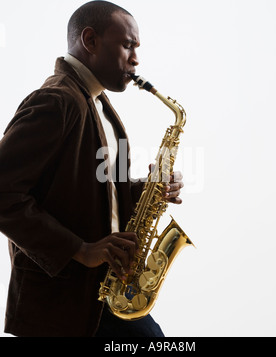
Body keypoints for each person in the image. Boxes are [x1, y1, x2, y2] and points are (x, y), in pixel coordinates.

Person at [0, 1, 184, 337]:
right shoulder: (56, 100)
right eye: (128, 45)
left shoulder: (99, 103)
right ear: (90, 40)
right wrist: (80, 250)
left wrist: (148, 190)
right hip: (63, 303)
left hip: (103, 290)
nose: (136, 59)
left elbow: (96, 191)